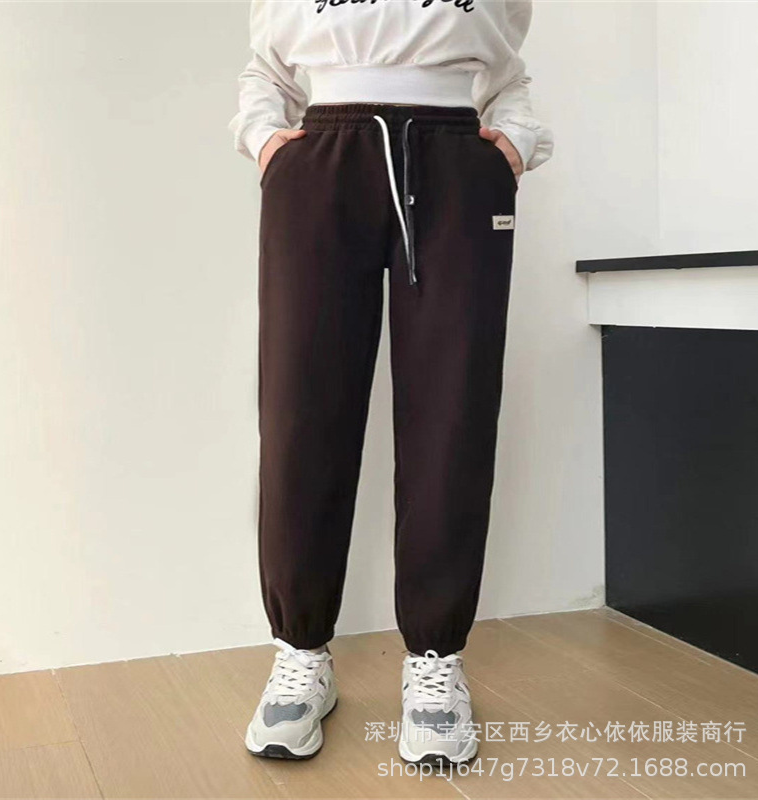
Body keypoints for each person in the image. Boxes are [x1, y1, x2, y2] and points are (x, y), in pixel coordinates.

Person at [229, 0, 553, 766]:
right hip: (320, 159)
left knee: (453, 410)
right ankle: (301, 651)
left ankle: (435, 661)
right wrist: (268, 141)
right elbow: (266, 68)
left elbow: (506, 66)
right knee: (301, 411)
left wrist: (512, 142)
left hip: (456, 163)